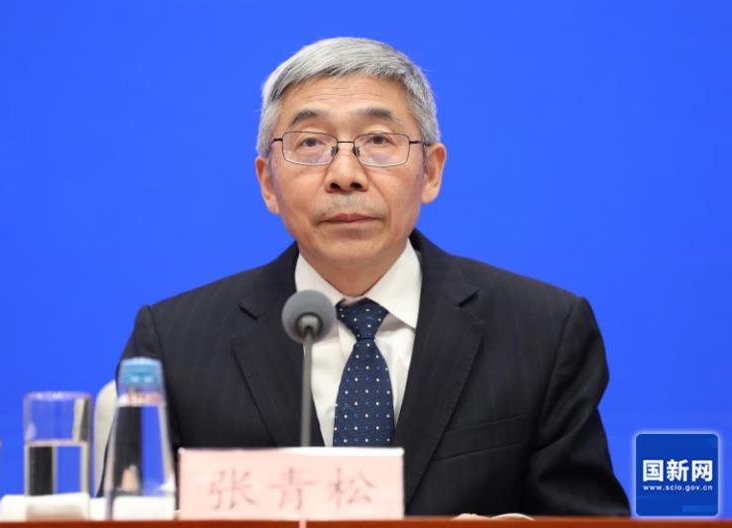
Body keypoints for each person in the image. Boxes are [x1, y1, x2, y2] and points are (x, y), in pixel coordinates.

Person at [116, 37, 630, 516]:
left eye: (379, 140)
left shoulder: (542, 333)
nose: (345, 175)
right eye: (311, 143)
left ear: (431, 172)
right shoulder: (173, 345)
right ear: (267, 182)